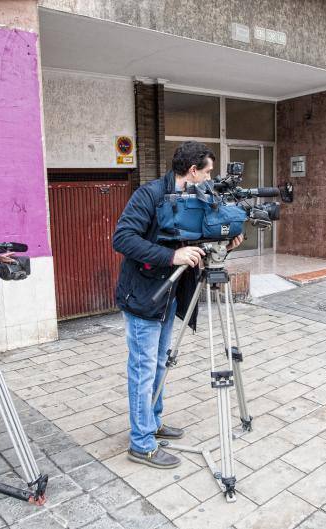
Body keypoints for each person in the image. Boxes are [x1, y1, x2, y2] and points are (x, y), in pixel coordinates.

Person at [113, 141, 243, 469]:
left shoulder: (196, 197)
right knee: (143, 369)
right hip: (144, 297)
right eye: (208, 171)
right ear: (193, 170)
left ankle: (152, 422)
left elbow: (194, 241)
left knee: (158, 364)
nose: (210, 177)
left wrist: (225, 242)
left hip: (169, 297)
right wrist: (172, 256)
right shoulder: (150, 195)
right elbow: (123, 238)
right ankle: (141, 444)